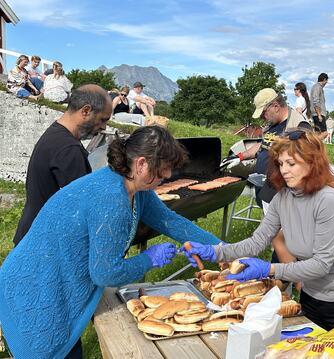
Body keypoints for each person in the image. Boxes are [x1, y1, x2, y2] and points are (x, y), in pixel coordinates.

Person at [0, 126, 223, 359]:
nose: (167, 176)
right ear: (141, 164)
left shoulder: (135, 187)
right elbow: (105, 273)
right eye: (164, 169)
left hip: (43, 276)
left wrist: (222, 250)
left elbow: (170, 221)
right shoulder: (112, 201)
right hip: (36, 287)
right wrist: (149, 259)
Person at [183, 129, 334, 330]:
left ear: (312, 163)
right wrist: (215, 251)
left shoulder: (328, 201)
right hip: (311, 297)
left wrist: (270, 269)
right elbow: (257, 242)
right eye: (281, 163)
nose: (284, 170)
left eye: (291, 164)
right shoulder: (283, 198)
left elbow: (322, 264)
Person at [13, 85, 113, 245]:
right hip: (43, 242)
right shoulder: (68, 149)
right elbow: (83, 207)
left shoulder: (56, 134)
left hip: (33, 232)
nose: (104, 127)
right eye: (103, 119)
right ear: (86, 111)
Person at [220, 88, 311, 211]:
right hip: (265, 187)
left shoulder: (299, 124)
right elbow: (261, 145)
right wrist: (239, 157)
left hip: (282, 192)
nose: (263, 117)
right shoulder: (271, 125)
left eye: (264, 113)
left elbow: (305, 159)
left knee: (281, 227)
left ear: (275, 106)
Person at [310, 73, 329, 140]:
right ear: (324, 80)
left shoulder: (317, 87)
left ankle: (314, 149)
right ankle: (311, 145)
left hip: (316, 113)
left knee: (317, 133)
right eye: (326, 81)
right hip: (318, 113)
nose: (326, 82)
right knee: (325, 133)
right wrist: (319, 114)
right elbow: (316, 101)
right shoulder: (317, 87)